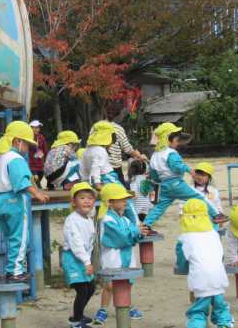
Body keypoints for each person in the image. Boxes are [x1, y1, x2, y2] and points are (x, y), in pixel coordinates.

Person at [0, 121, 49, 281]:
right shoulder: (15, 158)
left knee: (10, 237)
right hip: (14, 200)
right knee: (20, 237)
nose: (28, 148)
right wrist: (37, 193)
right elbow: (21, 181)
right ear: (17, 141)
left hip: (0, 201)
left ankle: (11, 269)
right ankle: (14, 271)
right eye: (26, 144)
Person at [141, 122, 228, 235]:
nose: (178, 143)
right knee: (199, 197)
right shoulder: (170, 153)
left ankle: (146, 226)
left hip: (164, 186)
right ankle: (216, 215)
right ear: (168, 139)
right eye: (177, 140)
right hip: (176, 184)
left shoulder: (155, 155)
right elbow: (176, 166)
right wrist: (188, 170)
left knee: (159, 207)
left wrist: (154, 183)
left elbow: (154, 175)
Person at [93, 183, 148, 325]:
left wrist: (139, 233)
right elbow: (120, 237)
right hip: (112, 257)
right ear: (110, 202)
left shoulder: (125, 219)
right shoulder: (107, 219)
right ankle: (103, 309)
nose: (125, 202)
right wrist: (135, 231)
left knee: (127, 283)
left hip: (127, 256)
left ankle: (127, 305)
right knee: (110, 285)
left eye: (125, 199)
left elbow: (133, 236)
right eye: (121, 199)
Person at [176, 199, 234, 328]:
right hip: (219, 277)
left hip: (200, 279)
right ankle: (225, 323)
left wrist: (184, 267)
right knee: (220, 307)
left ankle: (196, 324)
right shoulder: (214, 234)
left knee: (199, 311)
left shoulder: (185, 238)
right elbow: (220, 255)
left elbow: (182, 262)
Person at [62, 182, 98, 328]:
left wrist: (87, 260)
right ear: (74, 201)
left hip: (83, 259)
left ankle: (78, 314)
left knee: (91, 287)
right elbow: (76, 244)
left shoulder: (88, 218)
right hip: (73, 259)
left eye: (90, 198)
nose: (87, 201)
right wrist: (86, 262)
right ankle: (76, 322)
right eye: (82, 198)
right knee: (82, 290)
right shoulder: (72, 220)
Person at [106, 106, 148, 189]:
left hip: (100, 164)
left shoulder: (96, 127)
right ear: (119, 115)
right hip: (113, 166)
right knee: (121, 190)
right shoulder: (117, 129)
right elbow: (128, 149)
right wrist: (140, 156)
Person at [80, 121, 120, 190]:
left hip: (90, 180)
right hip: (106, 178)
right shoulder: (100, 151)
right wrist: (97, 183)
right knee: (121, 191)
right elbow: (96, 167)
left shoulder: (87, 150)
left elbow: (83, 168)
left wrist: (85, 181)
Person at [28, 120, 49, 187]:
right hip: (31, 164)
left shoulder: (41, 137)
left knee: (42, 183)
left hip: (40, 164)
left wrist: (46, 160)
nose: (37, 129)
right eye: (35, 127)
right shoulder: (27, 137)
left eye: (38, 128)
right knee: (36, 183)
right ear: (30, 128)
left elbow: (45, 149)